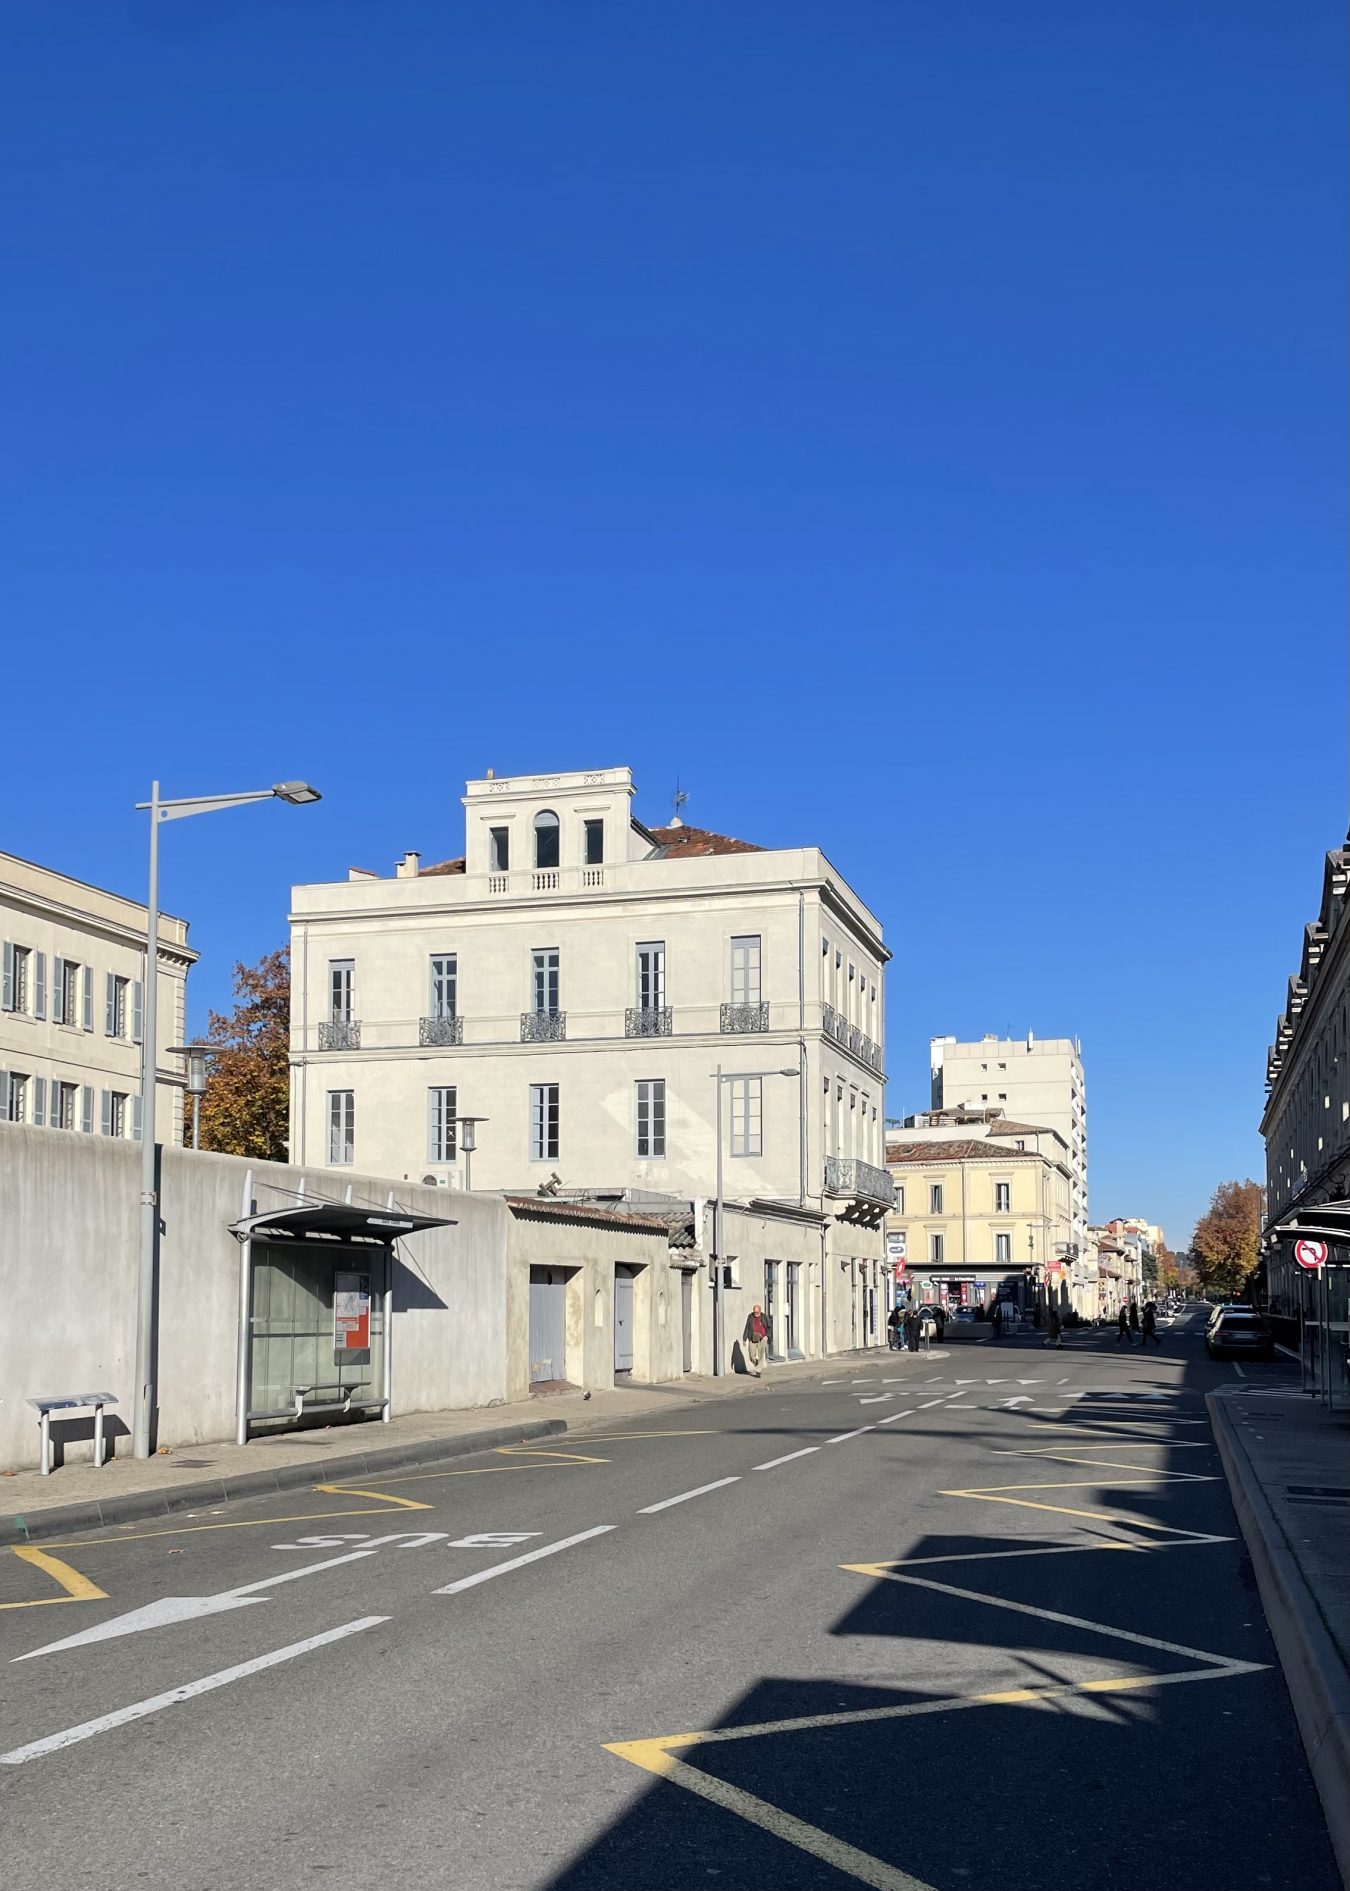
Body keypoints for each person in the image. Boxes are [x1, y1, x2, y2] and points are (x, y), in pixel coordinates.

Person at [743, 1303, 770, 1376]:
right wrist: (744, 1339)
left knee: (761, 1354)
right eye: (754, 1312)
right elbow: (747, 1327)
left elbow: (769, 1327)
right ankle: (758, 1365)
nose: (755, 1314)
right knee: (751, 1356)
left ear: (760, 1311)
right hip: (753, 1337)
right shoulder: (750, 1316)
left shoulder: (764, 1317)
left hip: (762, 1338)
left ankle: (758, 1371)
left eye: (757, 1312)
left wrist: (766, 1336)